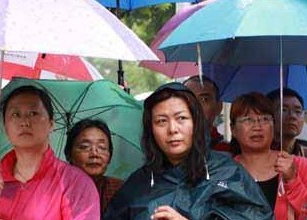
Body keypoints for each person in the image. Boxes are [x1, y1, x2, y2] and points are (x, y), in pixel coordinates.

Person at [103, 82, 273, 220]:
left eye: (181, 118)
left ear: (196, 123)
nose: (172, 129)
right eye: (161, 121)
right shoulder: (139, 184)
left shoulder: (226, 173)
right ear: (151, 129)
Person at [0, 86, 100, 219]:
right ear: (5, 127)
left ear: (51, 124)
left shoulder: (75, 183)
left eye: (33, 113)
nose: (24, 122)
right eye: (16, 114)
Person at [230, 92, 307, 219]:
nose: (257, 126)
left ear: (274, 125)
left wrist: (293, 181)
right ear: (233, 129)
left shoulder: (300, 165)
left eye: (265, 119)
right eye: (248, 120)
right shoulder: (226, 172)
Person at [64, 119, 123, 214]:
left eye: (102, 147)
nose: (94, 154)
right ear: (69, 154)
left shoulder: (120, 190)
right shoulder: (57, 191)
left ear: (110, 156)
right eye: (84, 147)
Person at [183, 75, 230, 153]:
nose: (195, 106)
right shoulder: (165, 150)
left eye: (204, 100)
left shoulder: (227, 152)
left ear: (219, 107)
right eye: (188, 99)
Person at [267, 88, 307, 157]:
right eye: (284, 110)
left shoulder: (305, 154)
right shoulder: (253, 152)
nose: (293, 116)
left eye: (298, 111)